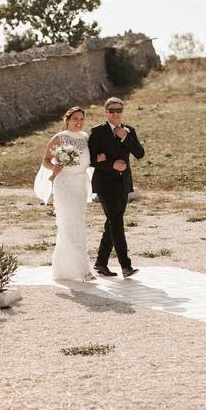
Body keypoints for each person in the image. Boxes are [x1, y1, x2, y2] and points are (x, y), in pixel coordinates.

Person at [33, 106, 94, 281]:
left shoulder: (84, 137)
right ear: (68, 120)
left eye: (81, 119)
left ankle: (64, 270)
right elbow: (45, 160)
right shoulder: (58, 138)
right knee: (68, 224)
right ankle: (82, 271)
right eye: (75, 118)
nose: (79, 122)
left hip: (80, 184)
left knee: (78, 225)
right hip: (64, 184)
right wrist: (54, 167)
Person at [88, 97, 145, 278]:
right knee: (117, 223)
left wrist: (125, 137)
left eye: (118, 110)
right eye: (111, 110)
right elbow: (90, 159)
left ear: (122, 111)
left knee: (112, 223)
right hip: (104, 185)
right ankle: (125, 266)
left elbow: (140, 154)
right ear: (106, 112)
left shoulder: (129, 130)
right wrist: (111, 164)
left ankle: (101, 262)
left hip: (123, 184)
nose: (115, 113)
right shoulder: (97, 132)